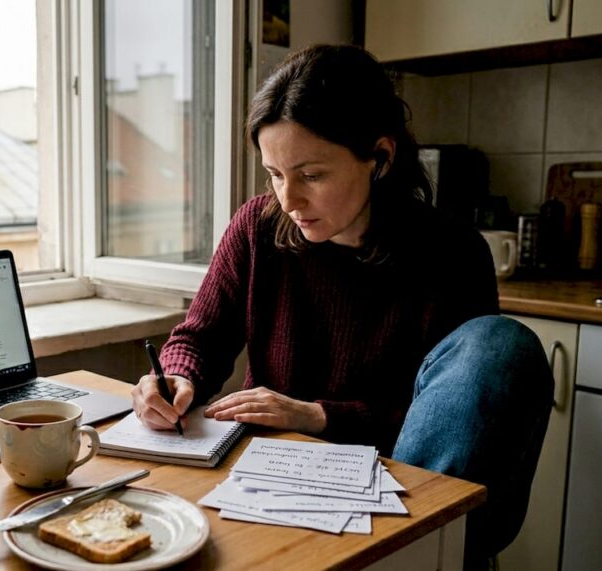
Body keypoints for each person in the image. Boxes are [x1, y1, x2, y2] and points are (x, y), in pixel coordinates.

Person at [130, 44, 552, 568]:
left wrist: (317, 415)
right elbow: (199, 337)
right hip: (271, 477)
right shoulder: (257, 228)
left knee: (502, 343)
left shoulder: (452, 253)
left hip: (396, 481)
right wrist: (175, 379)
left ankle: (415, 551)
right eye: (275, 174)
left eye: (311, 175)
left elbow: (449, 424)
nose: (289, 200)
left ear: (379, 158)